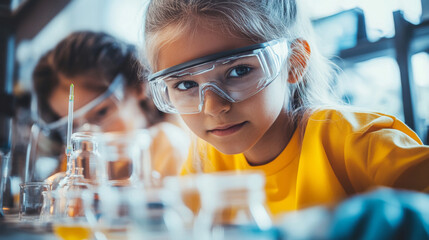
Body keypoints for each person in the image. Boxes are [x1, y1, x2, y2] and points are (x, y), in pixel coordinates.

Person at [142, 0, 429, 215]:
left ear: (293, 62)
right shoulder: (203, 162)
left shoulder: (360, 142)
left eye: (239, 71)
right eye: (184, 85)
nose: (214, 107)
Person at [32, 31, 190, 185]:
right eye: (72, 126)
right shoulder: (76, 165)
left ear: (138, 86)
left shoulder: (167, 144)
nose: (88, 136)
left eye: (101, 112)